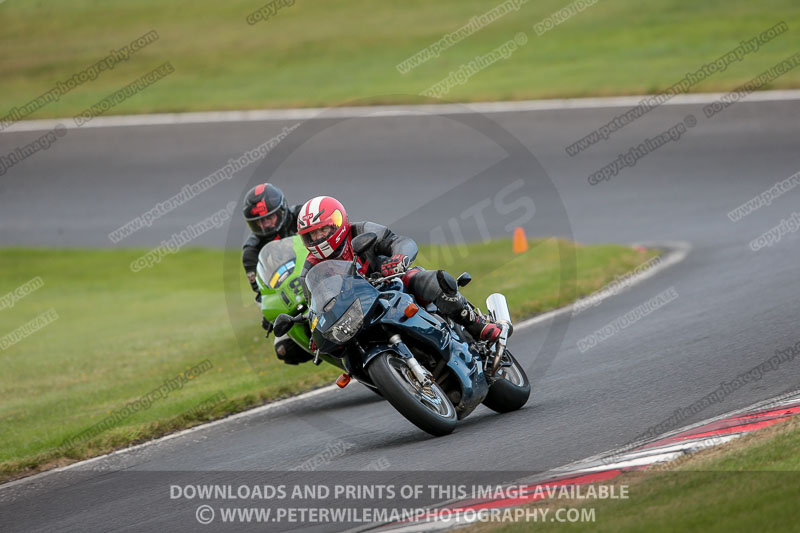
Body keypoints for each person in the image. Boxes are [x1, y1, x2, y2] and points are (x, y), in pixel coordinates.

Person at [296, 196, 502, 351]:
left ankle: (476, 324)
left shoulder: (361, 230)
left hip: (391, 281)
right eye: (311, 234)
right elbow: (315, 302)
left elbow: (400, 242)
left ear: (337, 222)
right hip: (358, 307)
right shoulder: (310, 269)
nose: (318, 237)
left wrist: (399, 259)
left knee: (428, 280)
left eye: (322, 230)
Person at [241, 183, 311, 365]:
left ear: (281, 211)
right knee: (285, 349)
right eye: (259, 222)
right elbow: (260, 293)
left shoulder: (303, 216)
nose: (265, 226)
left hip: (324, 276)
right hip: (292, 298)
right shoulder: (251, 252)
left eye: (269, 218)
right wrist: (270, 314)